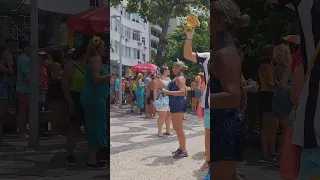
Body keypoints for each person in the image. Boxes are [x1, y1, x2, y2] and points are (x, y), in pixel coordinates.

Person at [209, 0, 250, 179]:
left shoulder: (225, 54)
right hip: (221, 128)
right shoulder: (222, 51)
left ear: (219, 22)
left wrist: (202, 100)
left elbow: (233, 97)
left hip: (224, 131)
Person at [80, 36, 109, 169]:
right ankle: (92, 160)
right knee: (96, 128)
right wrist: (110, 76)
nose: (105, 49)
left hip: (94, 98)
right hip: (95, 98)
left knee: (95, 127)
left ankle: (94, 158)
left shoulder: (92, 59)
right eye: (103, 46)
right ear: (98, 48)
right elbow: (96, 79)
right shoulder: (96, 59)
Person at [61, 45, 87, 164]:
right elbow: (65, 85)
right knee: (74, 127)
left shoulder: (88, 67)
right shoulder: (71, 66)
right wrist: (70, 102)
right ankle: (69, 153)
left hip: (87, 97)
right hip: (75, 97)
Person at [162, 61, 188, 158]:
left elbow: (182, 92)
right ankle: (181, 148)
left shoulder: (180, 78)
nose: (172, 69)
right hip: (175, 104)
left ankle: (184, 150)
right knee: (176, 127)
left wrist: (167, 92)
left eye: (173, 67)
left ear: (178, 68)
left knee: (179, 128)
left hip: (178, 104)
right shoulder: (178, 78)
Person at [258, 44, 278, 163]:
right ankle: (265, 153)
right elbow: (270, 84)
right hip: (267, 95)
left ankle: (272, 150)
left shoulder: (270, 66)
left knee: (274, 124)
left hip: (270, 95)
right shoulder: (265, 66)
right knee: (267, 126)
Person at [272, 44, 292, 160]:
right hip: (285, 98)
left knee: (282, 128)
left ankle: (280, 155)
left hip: (276, 97)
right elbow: (284, 85)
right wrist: (295, 89)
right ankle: (284, 157)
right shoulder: (287, 68)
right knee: (286, 129)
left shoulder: (276, 68)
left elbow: (274, 82)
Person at [47, 48, 68, 138]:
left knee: (62, 111)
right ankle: (55, 132)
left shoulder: (61, 65)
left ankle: (61, 131)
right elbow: (55, 78)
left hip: (61, 89)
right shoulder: (56, 65)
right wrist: (64, 76)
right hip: (56, 90)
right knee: (56, 112)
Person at [16, 40, 31, 139]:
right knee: (23, 111)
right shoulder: (25, 59)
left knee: (23, 110)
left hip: (22, 88)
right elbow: (26, 76)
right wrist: (33, 86)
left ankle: (23, 129)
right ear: (25, 47)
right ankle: (22, 131)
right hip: (25, 89)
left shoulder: (21, 58)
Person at [0, 46, 14, 145]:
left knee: (3, 113)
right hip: (1, 87)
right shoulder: (1, 64)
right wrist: (8, 62)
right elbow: (10, 71)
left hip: (3, 87)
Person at [153, 66, 171, 137]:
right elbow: (155, 90)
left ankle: (168, 130)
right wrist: (155, 100)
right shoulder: (158, 79)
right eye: (168, 69)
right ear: (164, 71)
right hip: (162, 99)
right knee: (162, 116)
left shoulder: (169, 79)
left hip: (169, 98)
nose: (169, 71)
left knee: (168, 115)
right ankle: (159, 131)